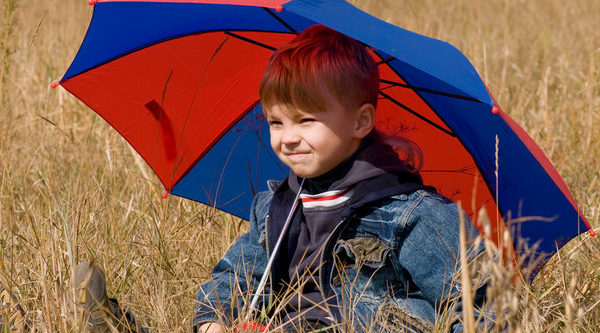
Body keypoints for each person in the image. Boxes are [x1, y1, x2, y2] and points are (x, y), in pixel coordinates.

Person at [193, 25, 491, 333]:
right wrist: (214, 320)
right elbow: (239, 276)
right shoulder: (274, 209)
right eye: (276, 122)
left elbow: (479, 305)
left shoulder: (414, 216)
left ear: (361, 122)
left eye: (306, 120)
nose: (288, 138)